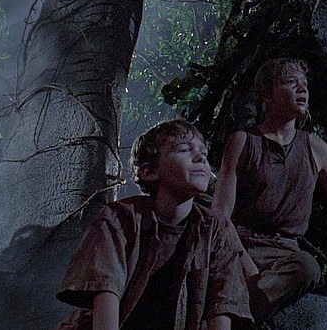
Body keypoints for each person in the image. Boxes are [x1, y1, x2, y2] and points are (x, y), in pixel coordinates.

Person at [56, 120, 251, 329]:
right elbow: (106, 288)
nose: (200, 157)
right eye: (184, 150)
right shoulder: (119, 219)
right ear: (149, 172)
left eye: (203, 152)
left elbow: (221, 304)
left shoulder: (215, 229)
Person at [211, 58, 327, 322]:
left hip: (286, 256)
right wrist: (249, 269)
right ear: (266, 95)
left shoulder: (317, 148)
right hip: (240, 247)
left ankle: (237, 314)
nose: (302, 89)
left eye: (304, 84)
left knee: (308, 267)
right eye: (291, 82)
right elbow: (220, 215)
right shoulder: (243, 141)